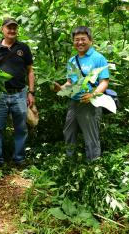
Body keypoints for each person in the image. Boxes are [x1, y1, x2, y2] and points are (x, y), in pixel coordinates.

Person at [0, 18, 35, 165]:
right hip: (0, 94)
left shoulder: (23, 48)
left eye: (14, 28)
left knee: (21, 129)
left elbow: (30, 71)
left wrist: (31, 92)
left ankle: (19, 159)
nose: (12, 30)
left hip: (19, 93)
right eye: (9, 28)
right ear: (2, 29)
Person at [54, 26, 109, 161]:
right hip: (74, 102)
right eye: (76, 39)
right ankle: (69, 162)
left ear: (90, 40)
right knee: (68, 132)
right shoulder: (72, 60)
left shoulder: (98, 58)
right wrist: (61, 88)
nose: (80, 42)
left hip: (90, 103)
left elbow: (104, 82)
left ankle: (94, 164)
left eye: (83, 39)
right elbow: (69, 82)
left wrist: (93, 95)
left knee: (91, 136)